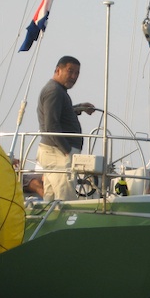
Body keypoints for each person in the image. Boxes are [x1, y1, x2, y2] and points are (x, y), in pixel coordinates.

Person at [36, 56, 95, 201]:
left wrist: (79, 108)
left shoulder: (57, 90)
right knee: (66, 197)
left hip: (54, 151)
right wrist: (67, 151)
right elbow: (51, 125)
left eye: (77, 73)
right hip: (57, 152)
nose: (74, 76)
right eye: (70, 71)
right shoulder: (54, 91)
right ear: (58, 70)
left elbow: (60, 113)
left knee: (51, 198)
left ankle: (49, 215)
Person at [0, 112, 44, 198]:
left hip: (8, 175)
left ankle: (52, 201)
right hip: (2, 178)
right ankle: (50, 204)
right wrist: (8, 161)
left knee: (44, 178)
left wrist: (9, 160)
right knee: (36, 183)